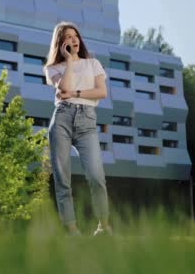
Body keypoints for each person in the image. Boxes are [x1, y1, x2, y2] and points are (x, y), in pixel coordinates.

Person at [43, 21, 113, 236]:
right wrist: (69, 62)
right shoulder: (53, 68)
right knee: (62, 178)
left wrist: (75, 93)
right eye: (67, 36)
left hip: (87, 121)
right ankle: (72, 228)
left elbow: (101, 92)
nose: (73, 39)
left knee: (95, 175)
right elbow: (62, 88)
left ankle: (103, 225)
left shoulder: (93, 64)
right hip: (62, 119)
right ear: (60, 42)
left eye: (75, 36)